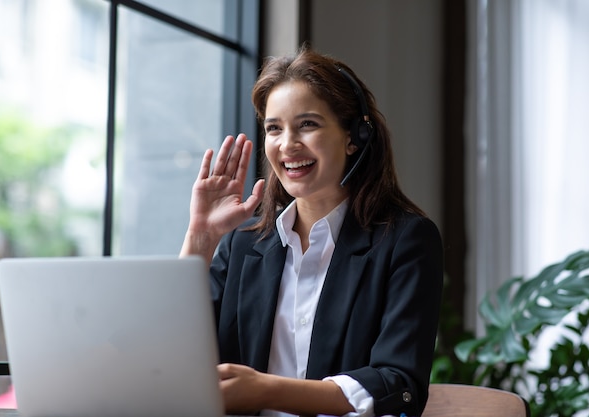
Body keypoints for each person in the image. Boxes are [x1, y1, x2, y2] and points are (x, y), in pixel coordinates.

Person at [179, 46, 443, 417]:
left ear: (354, 137)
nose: (288, 144)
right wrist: (201, 239)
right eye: (274, 128)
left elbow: (398, 385)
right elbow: (169, 359)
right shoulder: (242, 244)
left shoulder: (405, 241)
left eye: (308, 124)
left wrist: (267, 391)